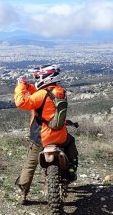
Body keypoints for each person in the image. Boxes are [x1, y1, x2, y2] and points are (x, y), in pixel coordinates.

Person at [14, 64, 78, 205]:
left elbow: (21, 102)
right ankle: (71, 171)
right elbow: (40, 93)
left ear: (46, 77)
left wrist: (20, 86)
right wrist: (28, 86)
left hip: (42, 138)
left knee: (30, 163)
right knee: (71, 142)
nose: (36, 78)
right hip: (60, 136)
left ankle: (23, 193)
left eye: (38, 76)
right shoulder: (60, 91)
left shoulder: (41, 95)